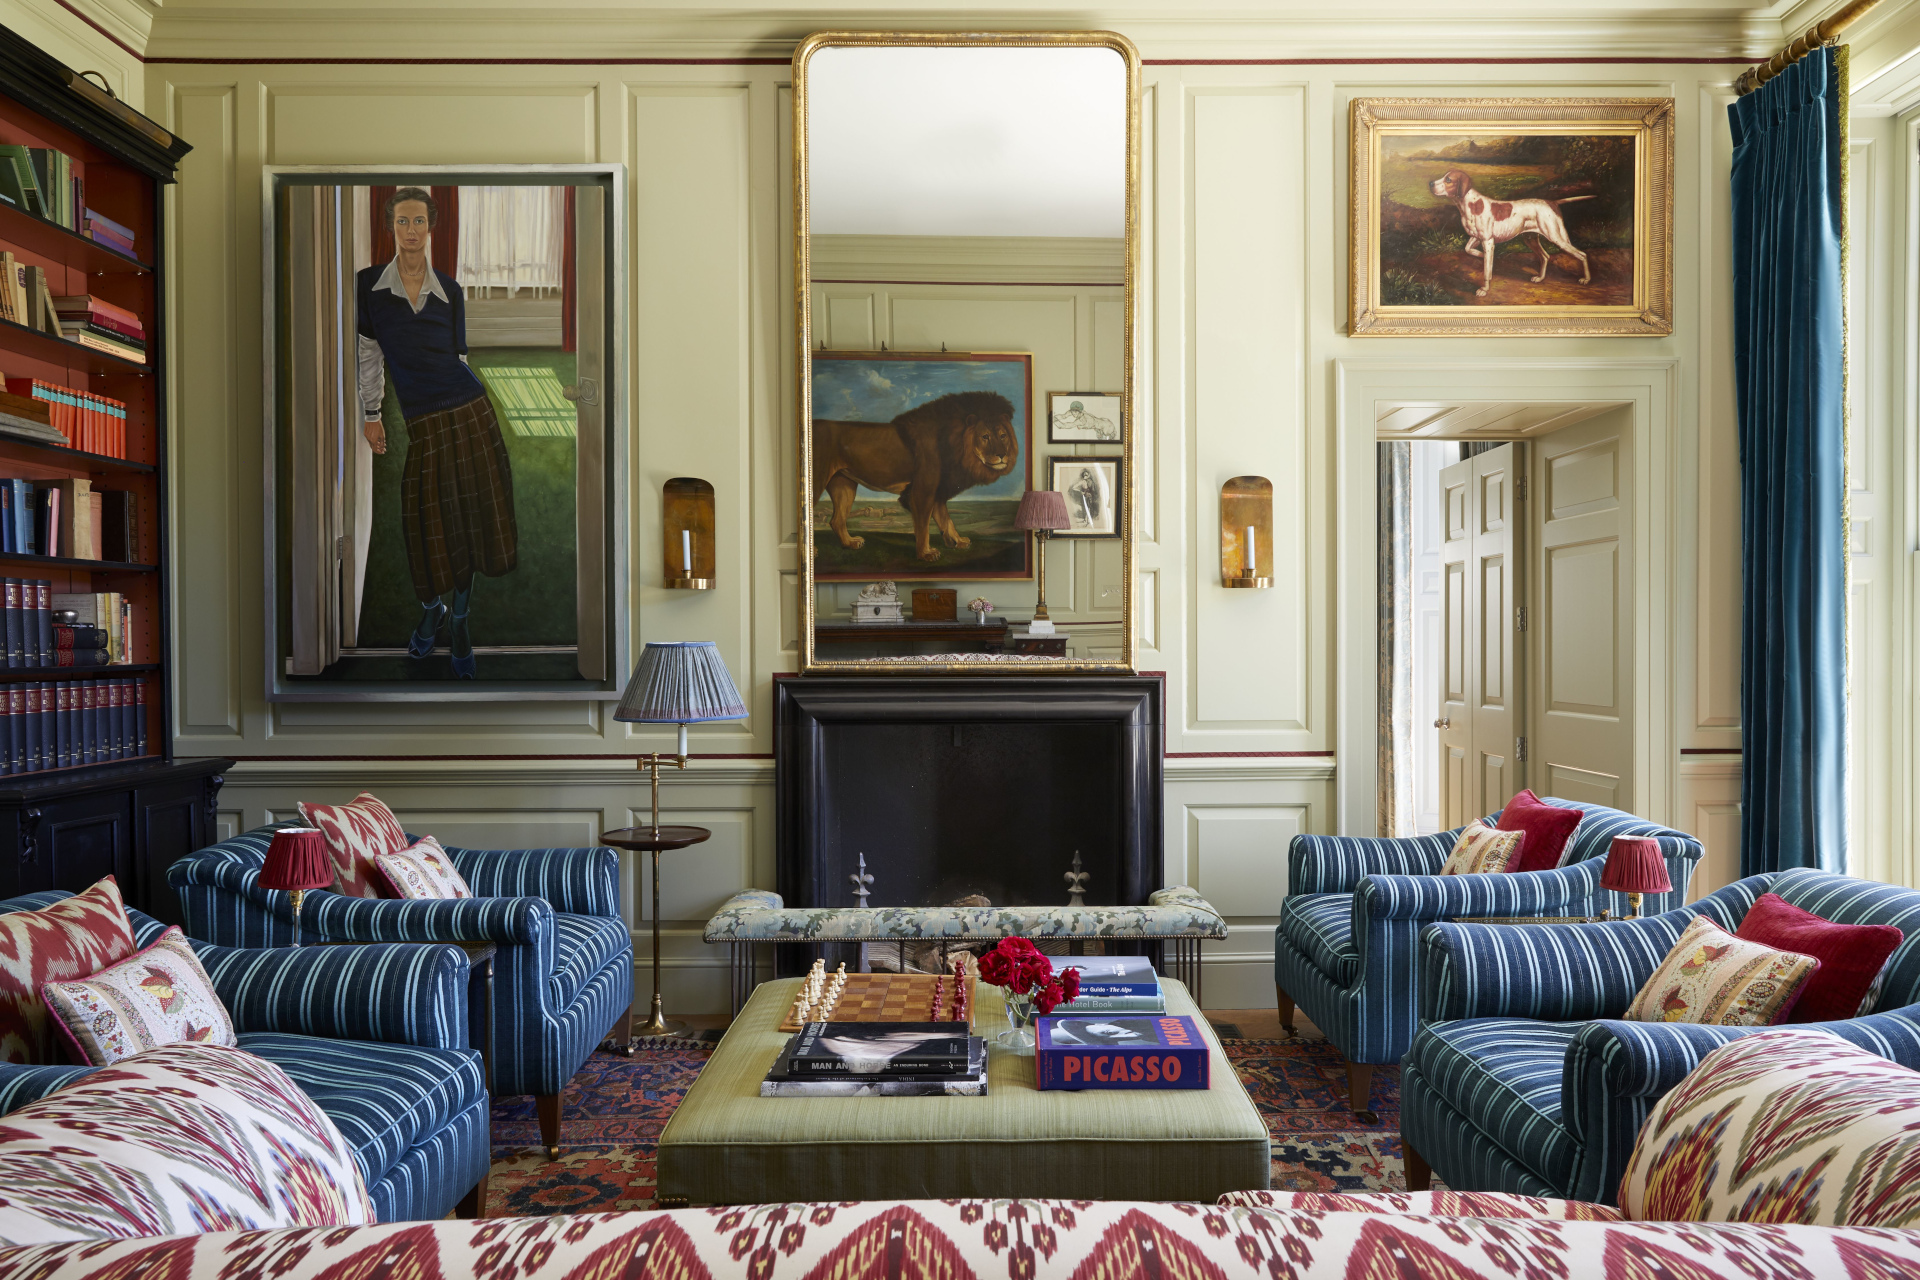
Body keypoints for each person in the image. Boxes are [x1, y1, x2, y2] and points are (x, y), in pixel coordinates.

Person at [357, 186, 518, 679]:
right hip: (421, 420)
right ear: (391, 227)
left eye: (419, 222)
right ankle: (433, 609)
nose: (411, 231)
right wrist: (371, 412)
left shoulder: (452, 291)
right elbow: (368, 356)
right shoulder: (367, 287)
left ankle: (462, 620)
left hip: (469, 410)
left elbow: (461, 359)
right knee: (422, 519)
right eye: (402, 221)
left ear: (431, 228)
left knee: (468, 515)